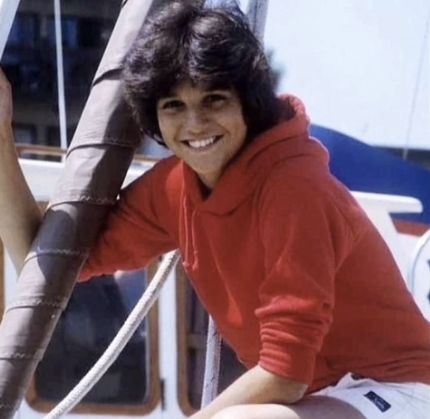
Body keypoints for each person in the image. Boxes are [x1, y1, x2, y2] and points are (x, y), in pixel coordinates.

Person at [1, 2, 430, 418]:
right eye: (173, 106)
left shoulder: (294, 188)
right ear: (154, 117)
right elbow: (44, 267)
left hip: (395, 388)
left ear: (249, 101)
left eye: (215, 100)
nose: (195, 125)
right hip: (320, 398)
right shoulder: (175, 187)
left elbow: (285, 374)